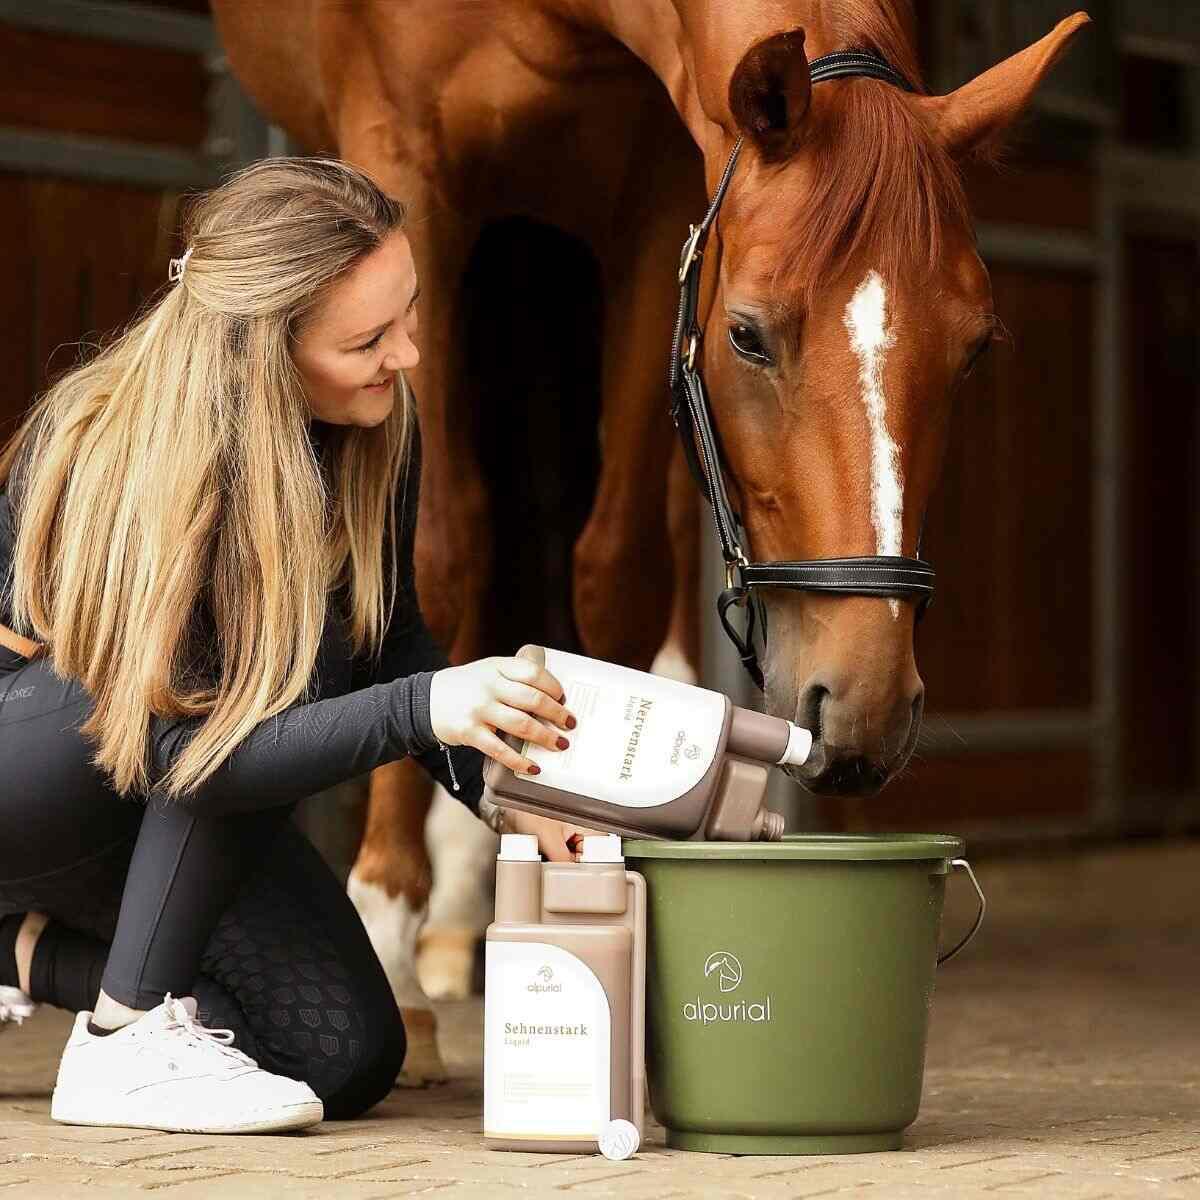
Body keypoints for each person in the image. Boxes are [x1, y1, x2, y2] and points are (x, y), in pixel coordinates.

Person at [0, 157, 585, 1135]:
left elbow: (391, 643)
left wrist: (503, 790)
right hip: (35, 772)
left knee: (345, 1054)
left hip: (170, 786)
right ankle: (123, 1042)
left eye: (408, 315)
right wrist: (426, 708)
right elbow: (192, 740)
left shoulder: (373, 426)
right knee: (261, 673)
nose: (406, 355)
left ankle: (27, 958)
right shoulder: (146, 447)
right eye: (367, 338)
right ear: (266, 347)